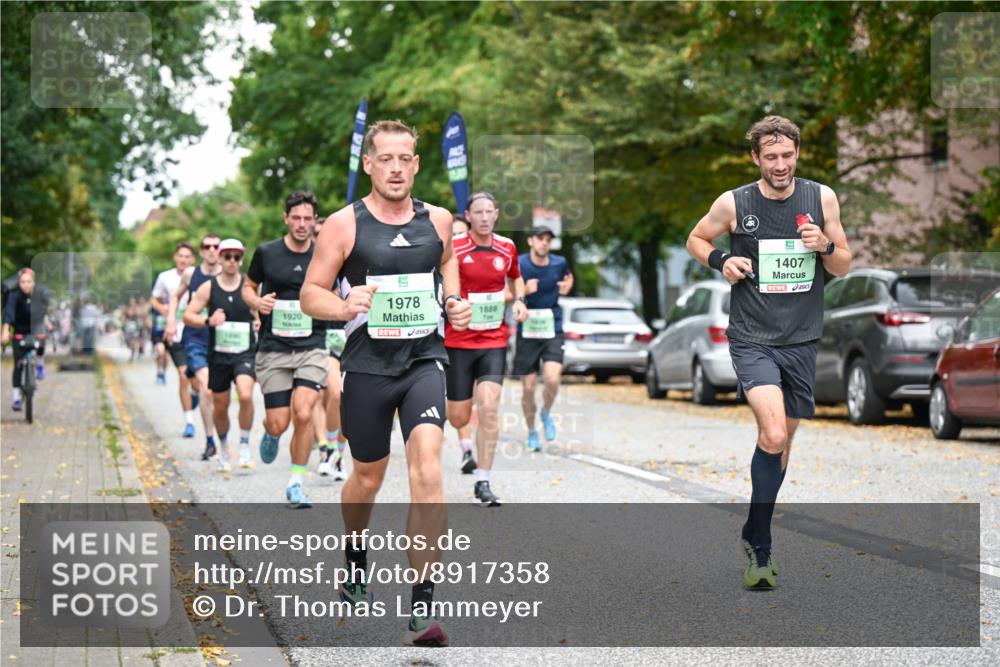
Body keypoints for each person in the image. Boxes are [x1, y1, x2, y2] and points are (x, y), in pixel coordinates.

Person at [300, 119, 471, 647]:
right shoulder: (343, 226)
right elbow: (310, 294)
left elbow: (446, 266)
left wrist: (452, 302)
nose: (396, 168)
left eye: (405, 159)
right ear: (369, 165)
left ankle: (422, 606)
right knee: (367, 479)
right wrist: (341, 303)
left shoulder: (440, 220)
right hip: (367, 368)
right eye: (386, 159)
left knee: (427, 471)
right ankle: (355, 552)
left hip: (424, 360)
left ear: (417, 164)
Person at [686, 115, 851, 590]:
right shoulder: (734, 202)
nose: (780, 164)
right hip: (753, 336)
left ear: (797, 153)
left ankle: (755, 529)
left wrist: (825, 246)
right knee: (773, 432)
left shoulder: (821, 198)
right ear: (756, 158)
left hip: (802, 338)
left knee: (782, 445)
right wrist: (722, 259)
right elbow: (696, 238)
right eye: (770, 157)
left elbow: (844, 264)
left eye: (787, 155)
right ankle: (761, 549)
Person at [243, 191, 328, 508]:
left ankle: (295, 481)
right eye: (297, 218)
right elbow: (248, 287)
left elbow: (333, 290)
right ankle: (271, 431)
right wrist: (257, 302)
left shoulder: (323, 254)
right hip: (274, 348)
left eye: (308, 218)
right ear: (286, 219)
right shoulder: (267, 253)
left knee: (304, 412)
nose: (302, 224)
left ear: (315, 221)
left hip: (312, 345)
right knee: (279, 421)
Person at [445, 192, 528, 506]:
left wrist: (519, 301)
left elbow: (516, 278)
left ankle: (483, 481)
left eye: (488, 212)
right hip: (459, 340)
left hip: (494, 340)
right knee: (458, 416)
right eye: (477, 212)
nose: (483, 217)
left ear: (496, 215)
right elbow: (444, 282)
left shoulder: (506, 247)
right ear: (468, 215)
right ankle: (464, 438)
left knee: (489, 407)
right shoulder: (455, 247)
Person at [183, 238, 257, 472]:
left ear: (242, 259)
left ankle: (244, 445)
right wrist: (209, 320)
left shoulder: (249, 286)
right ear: (221, 258)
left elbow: (261, 311)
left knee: (245, 395)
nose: (232, 261)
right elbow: (188, 315)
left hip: (245, 352)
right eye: (228, 257)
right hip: (219, 355)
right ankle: (224, 447)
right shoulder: (209, 287)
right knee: (221, 405)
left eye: (237, 257)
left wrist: (258, 322)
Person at [514, 226, 573, 452]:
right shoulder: (519, 263)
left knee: (551, 379)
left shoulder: (559, 263)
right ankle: (531, 431)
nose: (544, 243)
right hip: (527, 330)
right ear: (530, 241)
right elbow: (509, 289)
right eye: (540, 238)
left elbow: (568, 279)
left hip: (552, 328)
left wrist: (568, 286)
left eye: (548, 239)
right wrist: (525, 292)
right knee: (528, 388)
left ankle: (546, 413)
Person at [165, 234, 222, 460]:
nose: (211, 250)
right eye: (206, 246)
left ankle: (219, 436)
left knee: (216, 394)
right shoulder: (191, 274)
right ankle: (210, 441)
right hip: (194, 339)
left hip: (220, 340)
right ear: (201, 251)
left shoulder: (228, 273)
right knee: (207, 388)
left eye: (215, 246)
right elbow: (175, 296)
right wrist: (171, 321)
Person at [311, 214, 348, 481]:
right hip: (322, 341)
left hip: (354, 339)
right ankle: (326, 449)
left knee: (347, 401)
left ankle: (337, 454)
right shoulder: (312, 267)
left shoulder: (350, 259)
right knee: (335, 394)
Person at [151, 243, 197, 416]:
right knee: (183, 375)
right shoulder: (165, 277)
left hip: (196, 331)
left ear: (192, 259)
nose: (183, 260)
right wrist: (162, 308)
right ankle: (189, 420)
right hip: (174, 331)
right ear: (175, 257)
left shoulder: (199, 276)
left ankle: (196, 393)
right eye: (181, 256)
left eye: (187, 256)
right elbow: (153, 299)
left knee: (198, 382)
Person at [1, 269, 50, 410]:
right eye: (22, 282)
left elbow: (43, 313)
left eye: (29, 282)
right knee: (17, 365)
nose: (26, 285)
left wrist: (47, 322)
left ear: (33, 282)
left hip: (35, 329)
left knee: (42, 337)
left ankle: (40, 363)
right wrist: (5, 331)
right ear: (19, 283)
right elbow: (9, 313)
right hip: (19, 331)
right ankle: (16, 396)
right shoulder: (14, 295)